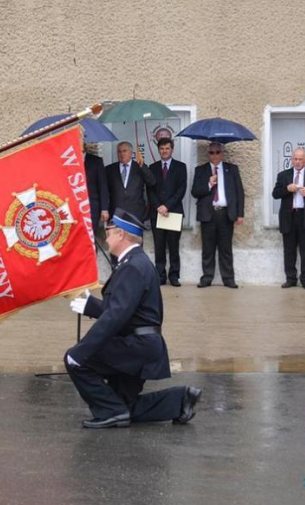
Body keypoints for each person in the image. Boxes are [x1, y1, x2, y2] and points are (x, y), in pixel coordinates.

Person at [64, 208, 201, 429]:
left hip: (136, 347)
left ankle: (112, 414)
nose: (106, 238)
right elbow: (127, 310)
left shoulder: (133, 266)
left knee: (77, 360)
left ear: (121, 234)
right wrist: (95, 307)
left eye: (109, 233)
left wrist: (82, 349)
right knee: (124, 404)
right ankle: (180, 400)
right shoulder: (135, 262)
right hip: (140, 346)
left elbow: (116, 317)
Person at [191, 142, 244, 288]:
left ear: (222, 153)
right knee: (208, 248)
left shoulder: (231, 169)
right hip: (208, 213)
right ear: (208, 154)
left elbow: (239, 192)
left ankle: (228, 278)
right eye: (211, 152)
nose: (214, 155)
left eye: (217, 152)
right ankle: (207, 277)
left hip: (225, 213)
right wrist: (209, 184)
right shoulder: (200, 170)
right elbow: (195, 192)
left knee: (225, 248)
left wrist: (240, 214)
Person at [272, 148, 305, 290]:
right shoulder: (283, 175)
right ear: (291, 159)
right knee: (289, 250)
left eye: (301, 159)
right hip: (289, 216)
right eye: (295, 158)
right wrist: (287, 190)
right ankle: (290, 278)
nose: (298, 161)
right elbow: (275, 194)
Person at [148, 138, 187, 286]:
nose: (164, 151)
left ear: (172, 149)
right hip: (157, 213)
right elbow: (150, 190)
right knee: (159, 246)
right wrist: (158, 206)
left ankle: (174, 275)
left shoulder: (180, 167)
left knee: (173, 246)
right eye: (162, 149)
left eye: (167, 148)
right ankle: (160, 275)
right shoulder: (153, 167)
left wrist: (167, 206)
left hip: (173, 213)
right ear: (159, 150)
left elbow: (181, 190)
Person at [105, 141, 156, 223]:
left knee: (135, 236)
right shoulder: (109, 169)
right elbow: (104, 191)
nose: (122, 154)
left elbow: (152, 182)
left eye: (124, 151)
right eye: (119, 151)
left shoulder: (139, 167)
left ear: (131, 153)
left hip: (136, 215)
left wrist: (142, 167)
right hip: (116, 215)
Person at [83, 143, 110, 230]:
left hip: (92, 207)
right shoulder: (68, 160)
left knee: (90, 237)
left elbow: (103, 186)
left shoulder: (96, 161)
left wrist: (104, 209)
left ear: (84, 145)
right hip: (74, 208)